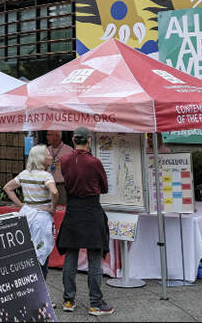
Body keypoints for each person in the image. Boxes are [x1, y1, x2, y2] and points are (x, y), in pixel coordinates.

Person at [57, 127, 113, 316]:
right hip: (91, 210)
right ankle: (95, 304)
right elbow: (104, 187)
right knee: (94, 257)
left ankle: (68, 300)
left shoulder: (64, 160)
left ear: (73, 140)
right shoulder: (94, 162)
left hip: (73, 210)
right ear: (89, 140)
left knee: (70, 256)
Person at [2, 144, 58, 279]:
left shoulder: (24, 174)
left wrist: (22, 205)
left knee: (26, 253)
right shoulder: (46, 176)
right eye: (47, 154)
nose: (51, 156)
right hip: (41, 219)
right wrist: (52, 207)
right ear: (40, 158)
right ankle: (40, 285)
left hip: (26, 216)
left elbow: (7, 188)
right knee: (41, 253)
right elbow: (55, 192)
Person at [46, 130, 73, 206]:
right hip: (48, 186)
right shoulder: (47, 150)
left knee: (62, 209)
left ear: (57, 136)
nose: (47, 137)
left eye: (49, 135)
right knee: (49, 209)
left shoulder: (69, 150)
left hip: (62, 187)